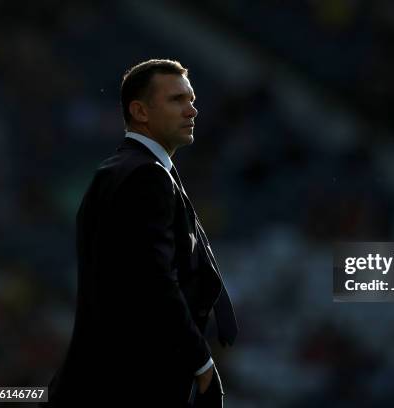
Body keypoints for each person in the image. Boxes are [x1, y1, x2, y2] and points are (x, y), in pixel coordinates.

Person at [44, 59, 238, 407]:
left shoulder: (123, 169)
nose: (192, 110)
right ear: (140, 111)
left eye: (192, 99)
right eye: (177, 100)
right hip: (132, 380)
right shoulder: (145, 177)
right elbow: (153, 280)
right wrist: (201, 360)